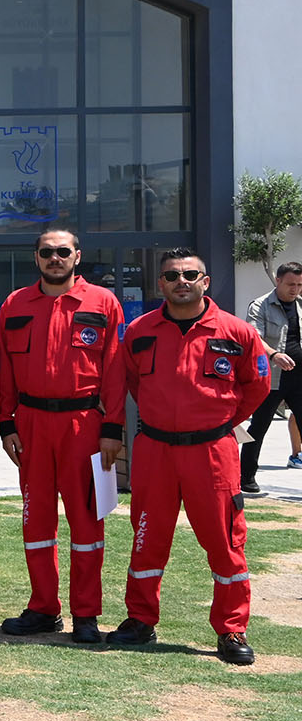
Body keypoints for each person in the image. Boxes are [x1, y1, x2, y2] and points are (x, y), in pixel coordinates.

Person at [109, 251, 269, 664]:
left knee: (225, 542)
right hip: (155, 450)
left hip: (212, 452)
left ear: (206, 280)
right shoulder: (140, 331)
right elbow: (130, 381)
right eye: (172, 276)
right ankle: (140, 620)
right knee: (147, 538)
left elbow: (257, 386)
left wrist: (219, 421)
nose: (182, 281)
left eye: (190, 274)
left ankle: (232, 630)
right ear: (160, 284)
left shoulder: (237, 332)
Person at [0, 228, 125, 642]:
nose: (55, 258)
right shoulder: (15, 304)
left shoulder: (103, 303)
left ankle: (86, 614)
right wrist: (7, 424)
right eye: (47, 252)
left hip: (84, 425)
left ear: (77, 256)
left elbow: (116, 372)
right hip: (31, 425)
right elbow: (5, 371)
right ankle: (43, 608)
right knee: (36, 520)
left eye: (62, 252)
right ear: (36, 258)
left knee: (88, 521)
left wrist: (112, 429)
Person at [238, 261, 302, 496]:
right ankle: (246, 478)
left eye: (299, 284)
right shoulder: (261, 305)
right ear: (278, 281)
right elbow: (254, 338)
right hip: (271, 380)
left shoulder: (300, 305)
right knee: (259, 427)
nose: (295, 289)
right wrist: (275, 355)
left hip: (299, 379)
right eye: (290, 284)